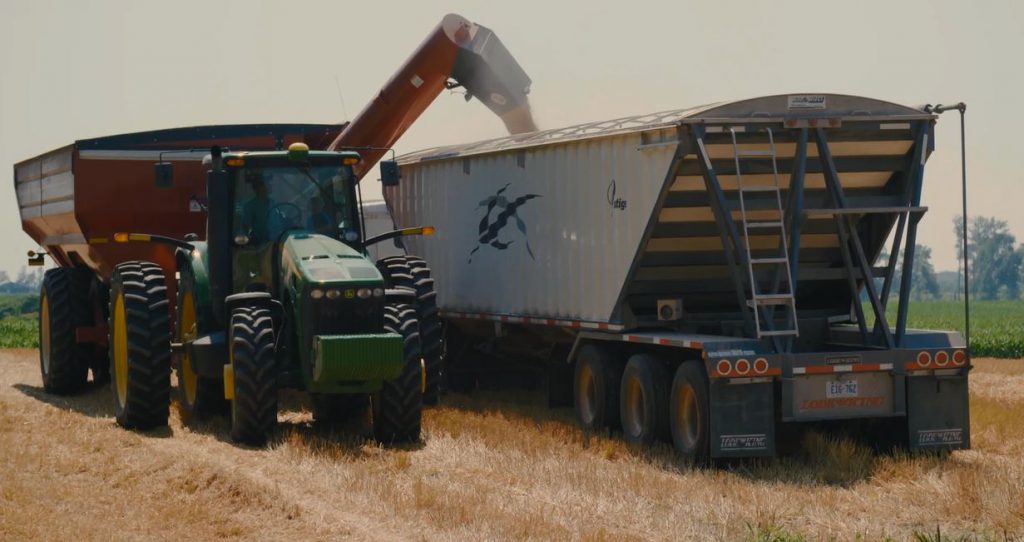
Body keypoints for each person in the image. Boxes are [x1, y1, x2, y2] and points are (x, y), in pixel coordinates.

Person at [241, 175, 272, 243]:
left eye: (269, 183)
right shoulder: (250, 206)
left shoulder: (273, 202)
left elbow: (279, 220)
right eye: (265, 184)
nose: (269, 186)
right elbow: (246, 226)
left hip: (277, 238)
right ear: (258, 188)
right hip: (260, 242)